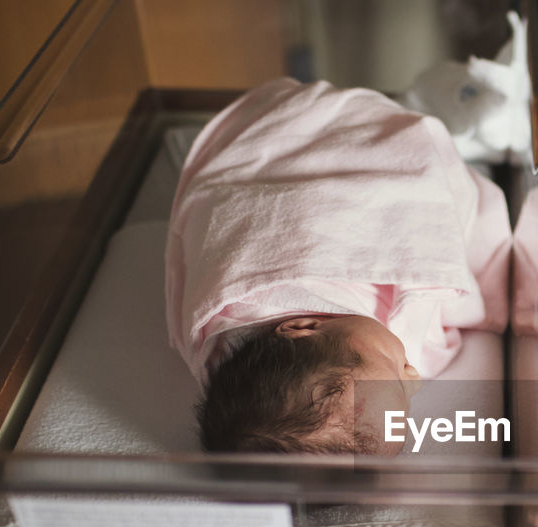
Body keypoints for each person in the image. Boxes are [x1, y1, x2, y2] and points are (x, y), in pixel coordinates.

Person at [165, 78, 512, 455]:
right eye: (407, 408)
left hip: (285, 141)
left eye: (395, 376)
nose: (414, 376)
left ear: (302, 327)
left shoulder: (231, 315)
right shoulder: (261, 398)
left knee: (422, 176)